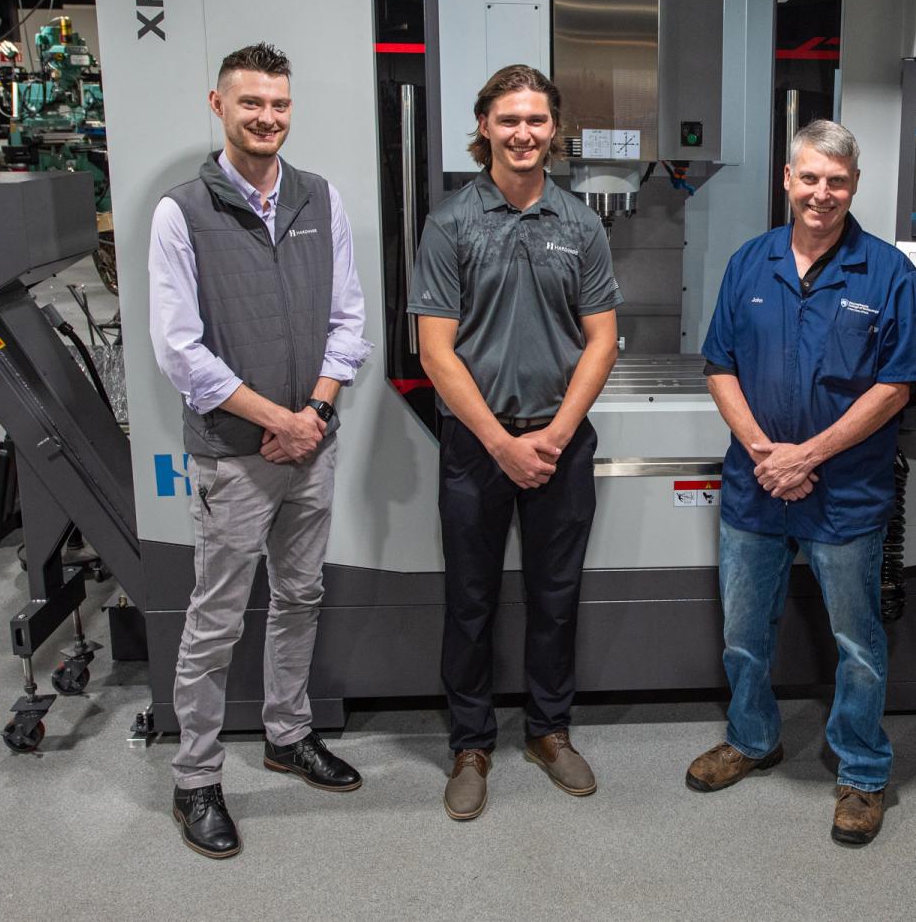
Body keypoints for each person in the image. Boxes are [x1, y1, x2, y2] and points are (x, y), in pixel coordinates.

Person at [685, 119, 916, 848]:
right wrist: (767, 453)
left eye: (836, 181)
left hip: (847, 493)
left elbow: (898, 385)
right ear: (787, 180)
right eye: (809, 178)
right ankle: (751, 736)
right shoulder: (751, 262)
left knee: (857, 641)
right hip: (756, 486)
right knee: (743, 633)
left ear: (853, 186)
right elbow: (720, 365)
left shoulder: (888, 273)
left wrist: (810, 457)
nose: (821, 193)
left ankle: (862, 769)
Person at [148, 42, 372, 859]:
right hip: (235, 456)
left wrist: (314, 412)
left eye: (278, 104)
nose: (266, 117)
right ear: (218, 106)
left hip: (312, 443)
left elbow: (348, 319)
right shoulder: (181, 212)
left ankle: (287, 733)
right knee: (215, 620)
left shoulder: (319, 198)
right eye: (250, 103)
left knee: (300, 595)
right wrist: (279, 418)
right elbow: (180, 351)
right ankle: (195, 778)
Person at [409, 63, 621, 821]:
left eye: (536, 119)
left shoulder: (581, 224)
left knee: (554, 598)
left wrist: (555, 435)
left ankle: (547, 731)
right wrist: (501, 443)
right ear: (484, 127)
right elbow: (435, 350)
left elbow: (602, 340)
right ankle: (471, 744)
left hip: (560, 444)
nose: (523, 133)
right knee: (469, 600)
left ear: (553, 129)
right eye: (509, 119)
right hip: (477, 447)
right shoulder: (451, 223)